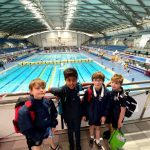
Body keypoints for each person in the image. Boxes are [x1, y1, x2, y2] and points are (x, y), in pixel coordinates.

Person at [49, 68, 92, 150]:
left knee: (77, 130)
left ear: (76, 80)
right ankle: (71, 145)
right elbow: (50, 89)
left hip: (77, 114)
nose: (72, 83)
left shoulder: (77, 87)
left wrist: (92, 83)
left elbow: (82, 84)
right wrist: (57, 93)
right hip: (67, 115)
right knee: (70, 131)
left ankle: (78, 145)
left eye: (74, 80)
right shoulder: (62, 89)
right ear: (65, 80)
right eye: (69, 80)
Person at [18, 78, 60, 150]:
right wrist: (41, 136)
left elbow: (53, 113)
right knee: (38, 147)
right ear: (31, 91)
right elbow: (26, 130)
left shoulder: (48, 101)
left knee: (50, 137)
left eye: (43, 88)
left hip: (47, 128)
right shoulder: (25, 109)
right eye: (37, 88)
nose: (41, 90)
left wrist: (53, 124)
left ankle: (53, 147)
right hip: (35, 135)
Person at [82, 72, 110, 150]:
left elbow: (107, 106)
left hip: (100, 114)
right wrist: (84, 114)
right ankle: (91, 138)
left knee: (98, 128)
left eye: (100, 80)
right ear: (93, 81)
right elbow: (84, 104)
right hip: (91, 114)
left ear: (103, 81)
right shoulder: (88, 91)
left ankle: (97, 141)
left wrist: (104, 115)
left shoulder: (106, 92)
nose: (97, 82)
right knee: (91, 126)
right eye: (95, 80)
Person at [104, 74, 126, 139]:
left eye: (116, 83)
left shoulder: (122, 96)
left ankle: (113, 139)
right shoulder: (113, 91)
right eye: (112, 82)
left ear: (120, 85)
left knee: (115, 128)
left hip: (117, 116)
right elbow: (105, 86)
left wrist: (120, 121)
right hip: (110, 113)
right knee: (107, 123)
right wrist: (109, 82)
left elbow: (123, 111)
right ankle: (111, 132)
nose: (113, 85)